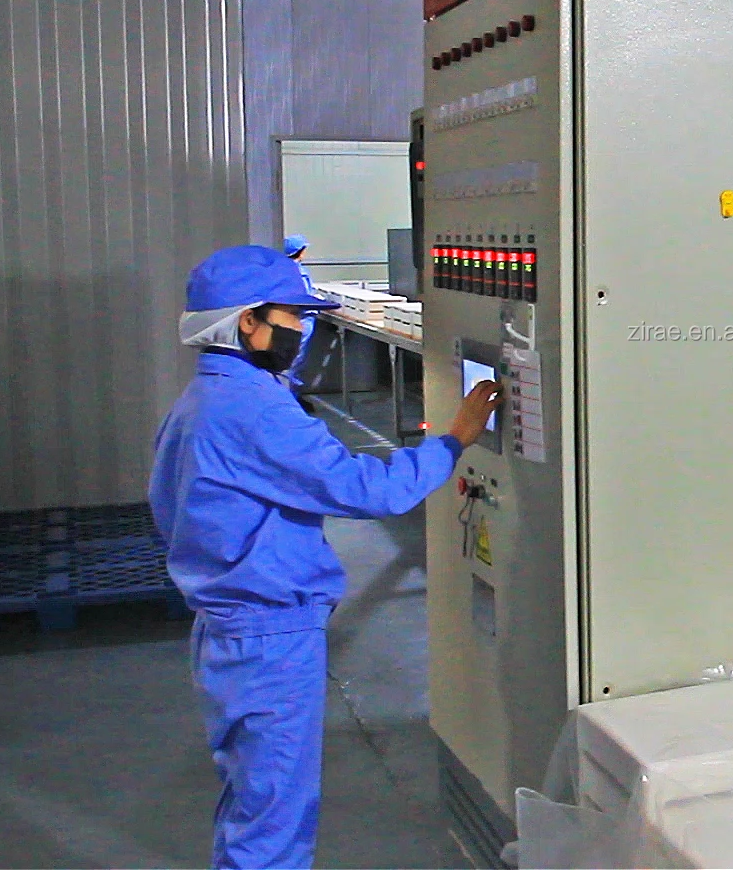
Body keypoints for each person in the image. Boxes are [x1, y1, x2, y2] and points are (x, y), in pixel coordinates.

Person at [150, 244, 498, 869]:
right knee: (274, 818)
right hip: (269, 638)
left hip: (230, 630)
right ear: (248, 322)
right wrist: (454, 441)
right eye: (292, 316)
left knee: (251, 799)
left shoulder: (205, 399)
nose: (301, 330)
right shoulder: (253, 409)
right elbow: (369, 489)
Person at [281, 235, 316, 390]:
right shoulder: (298, 272)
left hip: (296, 317)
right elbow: (302, 297)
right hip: (302, 319)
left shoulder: (286, 269)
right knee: (295, 360)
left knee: (294, 359)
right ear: (300, 251)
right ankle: (290, 393)